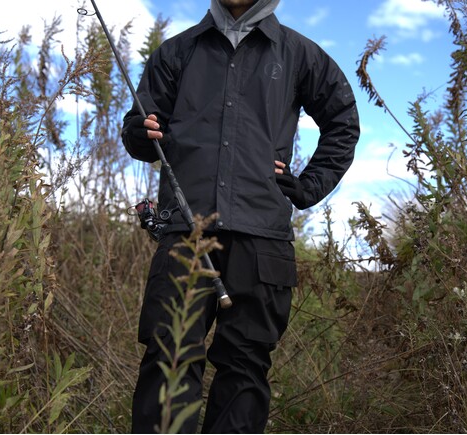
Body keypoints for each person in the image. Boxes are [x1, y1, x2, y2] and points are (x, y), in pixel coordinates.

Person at [121, 0, 359, 432]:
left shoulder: (300, 54)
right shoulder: (175, 52)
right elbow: (143, 131)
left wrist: (309, 186)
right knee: (168, 357)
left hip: (263, 242)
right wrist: (137, 133)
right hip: (185, 233)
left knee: (245, 367)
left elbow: (342, 121)